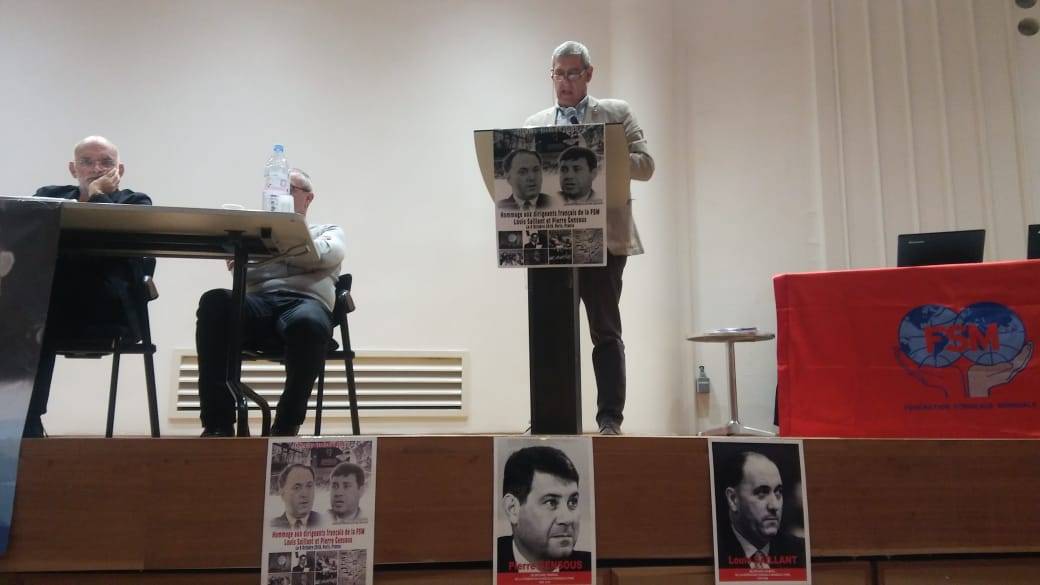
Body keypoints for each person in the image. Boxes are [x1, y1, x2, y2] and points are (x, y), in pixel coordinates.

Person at [525, 41, 655, 435]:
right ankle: (548, 418)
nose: (564, 81)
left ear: (588, 74)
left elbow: (646, 166)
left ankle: (609, 420)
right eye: (558, 74)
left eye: (572, 73)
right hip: (551, 241)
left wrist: (599, 151)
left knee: (604, 330)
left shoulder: (615, 113)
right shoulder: (534, 124)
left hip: (604, 237)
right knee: (550, 333)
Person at [196, 168, 346, 437]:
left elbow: (323, 256)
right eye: (273, 190)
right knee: (215, 302)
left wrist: (271, 252)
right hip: (259, 306)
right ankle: (218, 423)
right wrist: (297, 255)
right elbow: (243, 269)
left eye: (288, 189)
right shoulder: (254, 233)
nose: (279, 196)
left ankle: (287, 424)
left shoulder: (328, 230)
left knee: (308, 323)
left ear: (308, 199)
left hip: (305, 304)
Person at [24, 136, 153, 438]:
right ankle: (27, 420)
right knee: (26, 310)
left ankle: (28, 421)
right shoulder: (48, 197)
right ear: (73, 169)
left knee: (34, 314)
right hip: (47, 314)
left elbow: (131, 257)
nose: (96, 168)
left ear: (119, 169)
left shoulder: (136, 202)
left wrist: (97, 196)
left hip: (106, 312)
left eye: (106, 162)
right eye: (87, 161)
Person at [497, 446, 592, 574]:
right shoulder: (490, 560)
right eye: (551, 502)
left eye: (572, 502)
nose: (568, 519)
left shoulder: (590, 566)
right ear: (512, 509)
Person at [716, 451, 805, 570]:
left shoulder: (800, 551)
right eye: (762, 493)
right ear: (733, 499)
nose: (774, 506)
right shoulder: (716, 552)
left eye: (778, 492)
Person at [271, 463, 324, 529]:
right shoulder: (272, 526)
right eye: (297, 487)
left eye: (309, 486)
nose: (305, 494)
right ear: (282, 493)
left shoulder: (325, 522)